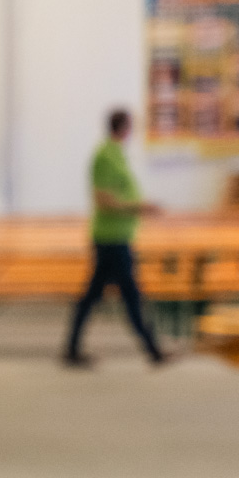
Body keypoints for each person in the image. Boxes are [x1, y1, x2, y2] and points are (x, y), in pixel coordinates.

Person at [65, 108, 165, 367]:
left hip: (119, 236)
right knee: (128, 296)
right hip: (111, 238)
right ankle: (153, 349)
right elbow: (104, 200)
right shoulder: (105, 156)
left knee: (96, 295)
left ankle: (72, 348)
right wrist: (140, 207)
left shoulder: (117, 154)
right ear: (124, 127)